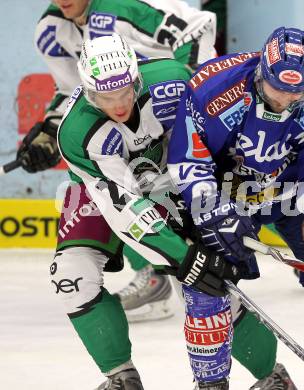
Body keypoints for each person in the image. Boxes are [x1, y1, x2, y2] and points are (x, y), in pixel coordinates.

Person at [55, 33, 294, 390]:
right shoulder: (76, 132)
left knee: (210, 290)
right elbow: (124, 210)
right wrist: (185, 257)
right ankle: (121, 377)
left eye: (125, 91)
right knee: (70, 275)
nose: (118, 105)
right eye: (105, 97)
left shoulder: (173, 80)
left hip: (180, 182)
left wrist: (217, 201)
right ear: (89, 93)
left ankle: (272, 376)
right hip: (99, 193)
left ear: (136, 77)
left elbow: (210, 140)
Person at [167, 27, 304, 389]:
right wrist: (210, 208)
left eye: (297, 91)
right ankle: (211, 385)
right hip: (226, 196)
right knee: (204, 281)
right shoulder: (212, 89)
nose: (284, 99)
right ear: (260, 71)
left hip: (291, 196)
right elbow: (188, 162)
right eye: (277, 87)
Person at [20, 0, 218, 322]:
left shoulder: (124, 7)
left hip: (165, 115)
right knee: (116, 194)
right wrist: (50, 130)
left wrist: (188, 93)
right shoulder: (50, 30)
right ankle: (156, 271)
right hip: (120, 125)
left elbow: (198, 29)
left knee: (201, 188)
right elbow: (73, 90)